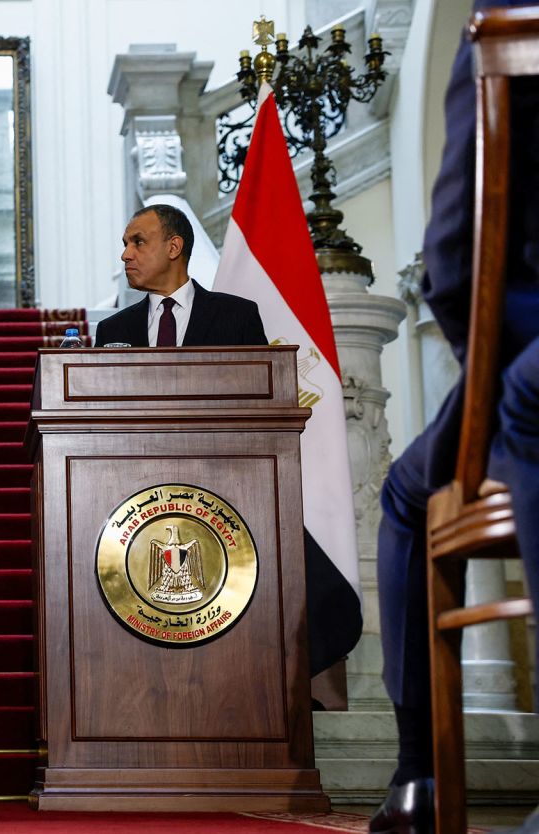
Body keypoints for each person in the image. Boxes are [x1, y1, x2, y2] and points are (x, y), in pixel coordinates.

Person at [367, 3, 539, 833]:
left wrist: (494, 373)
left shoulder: (501, 15)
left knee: (408, 497)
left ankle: (419, 774)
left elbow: (454, 253)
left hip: (532, 365)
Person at [94, 204, 267, 347]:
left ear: (173, 247)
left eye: (139, 242)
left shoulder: (238, 317)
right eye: (126, 244)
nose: (125, 255)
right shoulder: (111, 330)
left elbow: (263, 384)